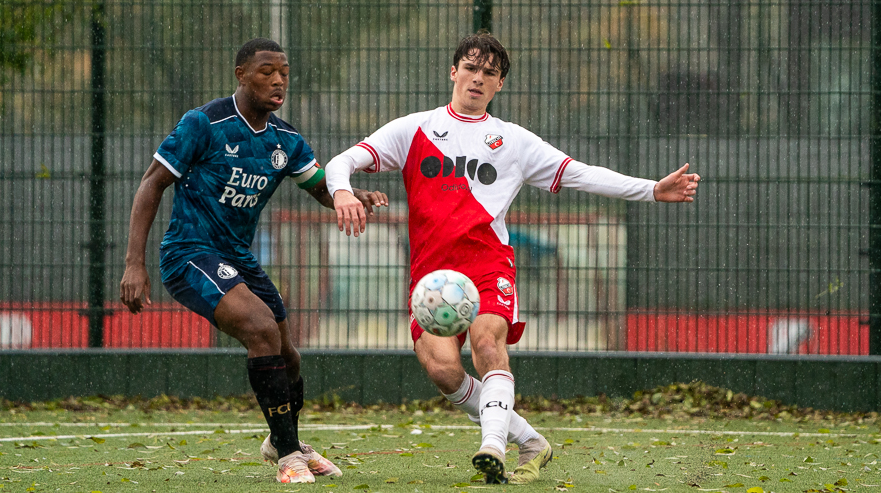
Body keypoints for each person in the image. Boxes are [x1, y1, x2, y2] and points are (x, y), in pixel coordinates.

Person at [325, 31, 700, 485]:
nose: (477, 78)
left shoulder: (513, 141)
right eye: (471, 67)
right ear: (453, 71)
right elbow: (340, 162)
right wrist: (342, 192)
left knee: (487, 343)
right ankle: (532, 442)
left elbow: (581, 174)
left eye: (489, 72)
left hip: (488, 265)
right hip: (432, 276)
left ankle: (493, 446)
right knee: (443, 369)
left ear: (499, 84)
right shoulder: (413, 129)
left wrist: (651, 190)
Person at [119, 38, 388, 485]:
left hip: (238, 257)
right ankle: (288, 456)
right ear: (241, 74)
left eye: (283, 71)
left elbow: (318, 186)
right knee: (261, 329)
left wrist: (347, 193)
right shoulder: (204, 124)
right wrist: (134, 263)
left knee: (289, 355)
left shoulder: (285, 140)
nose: (278, 80)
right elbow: (151, 184)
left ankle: (281, 441)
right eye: (266, 71)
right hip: (189, 252)